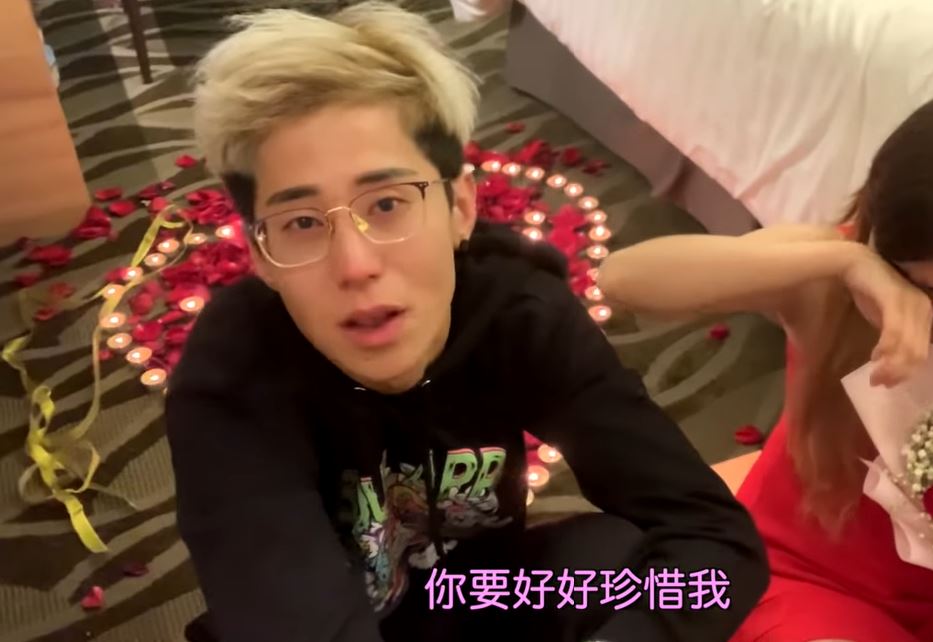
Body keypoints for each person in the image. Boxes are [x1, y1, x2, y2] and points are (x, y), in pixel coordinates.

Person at [166, 4, 768, 642]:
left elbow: (712, 535)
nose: (356, 265)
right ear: (261, 255)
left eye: (388, 204)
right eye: (303, 223)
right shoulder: (233, 379)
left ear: (459, 206)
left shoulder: (516, 312)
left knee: (615, 557)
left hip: (473, 597)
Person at [598, 79, 933, 642]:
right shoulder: (831, 274)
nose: (905, 297)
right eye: (892, 264)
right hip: (804, 575)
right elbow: (624, 280)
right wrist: (846, 264)